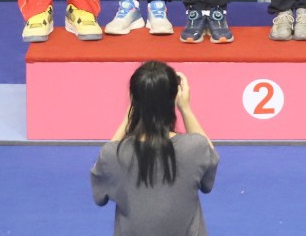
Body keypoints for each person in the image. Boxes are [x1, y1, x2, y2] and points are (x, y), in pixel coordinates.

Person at [90, 61, 218, 236]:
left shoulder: (112, 155)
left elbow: (99, 192)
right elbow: (211, 163)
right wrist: (186, 109)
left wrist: (128, 118)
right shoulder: (196, 147)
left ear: (133, 100)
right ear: (175, 97)